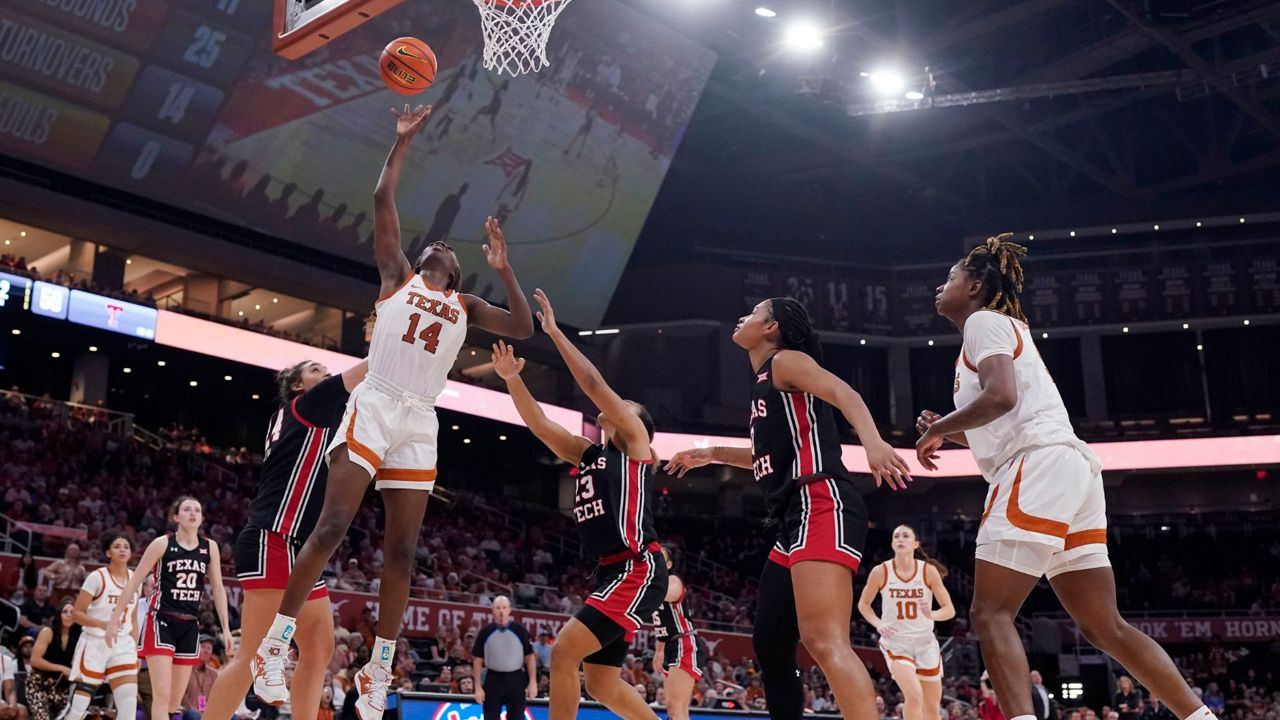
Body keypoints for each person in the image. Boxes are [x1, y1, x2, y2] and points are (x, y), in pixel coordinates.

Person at [254, 104, 533, 720]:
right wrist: (401, 141)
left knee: (403, 551)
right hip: (375, 400)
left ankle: (378, 669)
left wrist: (506, 269)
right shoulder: (397, 277)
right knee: (330, 528)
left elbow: (523, 325)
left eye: (447, 251)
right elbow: (383, 197)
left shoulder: (466, 305)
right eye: (433, 243)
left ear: (456, 272)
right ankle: (274, 647)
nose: (438, 246)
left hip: (421, 419)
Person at [915, 235, 1219, 720]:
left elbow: (1001, 398)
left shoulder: (982, 322)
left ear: (974, 286)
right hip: (1069, 468)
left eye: (950, 277)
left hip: (1036, 467)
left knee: (990, 614)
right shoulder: (999, 329)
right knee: (1105, 627)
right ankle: (1202, 718)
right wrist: (945, 430)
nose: (940, 284)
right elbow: (1001, 424)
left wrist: (939, 429)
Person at [664, 297, 911, 720]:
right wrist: (713, 454)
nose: (741, 317)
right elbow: (767, 454)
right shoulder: (763, 382)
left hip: (822, 501)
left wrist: (873, 443)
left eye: (753, 313)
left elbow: (842, 391)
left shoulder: (785, 362)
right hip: (791, 517)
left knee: (824, 640)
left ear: (771, 327)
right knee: (771, 639)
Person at [490, 288, 666, 720]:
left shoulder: (635, 446)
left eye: (626, 405)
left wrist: (552, 332)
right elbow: (539, 424)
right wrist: (513, 378)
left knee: (565, 651)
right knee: (601, 682)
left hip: (637, 568)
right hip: (611, 570)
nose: (615, 403)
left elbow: (592, 383)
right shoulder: (590, 453)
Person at [202, 359, 369, 720]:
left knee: (319, 648)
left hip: (304, 548)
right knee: (252, 655)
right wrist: (400, 323)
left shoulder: (327, 415)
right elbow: (369, 369)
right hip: (272, 538)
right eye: (315, 369)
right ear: (298, 385)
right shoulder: (307, 405)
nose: (325, 374)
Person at [105, 498, 233, 720]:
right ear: (176, 517)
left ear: (201, 518)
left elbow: (219, 589)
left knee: (174, 702)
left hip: (190, 625)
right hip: (161, 621)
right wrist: (115, 619)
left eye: (197, 510)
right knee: (161, 697)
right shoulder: (162, 544)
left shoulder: (209, 547)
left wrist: (227, 629)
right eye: (187, 509)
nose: (193, 513)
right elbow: (135, 581)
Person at [857, 525, 955, 720]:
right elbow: (864, 605)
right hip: (897, 642)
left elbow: (949, 610)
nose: (900, 538)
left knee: (932, 708)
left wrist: (932, 614)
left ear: (915, 544)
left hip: (925, 643)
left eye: (905, 535)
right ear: (893, 544)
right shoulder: (881, 571)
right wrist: (878, 623)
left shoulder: (928, 571)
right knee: (914, 695)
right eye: (896, 536)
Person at [56, 532, 140, 720]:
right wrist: (102, 624)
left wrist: (135, 649)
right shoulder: (97, 577)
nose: (122, 550)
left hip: (123, 645)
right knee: (78, 709)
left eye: (126, 547)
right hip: (94, 643)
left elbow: (133, 619)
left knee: (128, 708)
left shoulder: (135, 579)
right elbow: (77, 614)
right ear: (108, 552)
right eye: (117, 546)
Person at [651, 545, 705, 720]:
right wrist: (659, 650)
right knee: (674, 708)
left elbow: (671, 593)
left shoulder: (672, 580)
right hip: (670, 644)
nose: (653, 558)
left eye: (659, 556)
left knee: (677, 708)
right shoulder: (652, 584)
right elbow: (662, 622)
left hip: (685, 643)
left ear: (668, 564)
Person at [470, 596, 536, 720]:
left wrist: (533, 682)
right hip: (493, 679)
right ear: (492, 610)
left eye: (504, 608)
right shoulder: (485, 632)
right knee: (490, 716)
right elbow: (477, 660)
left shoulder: (520, 630)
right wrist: (478, 687)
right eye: (498, 608)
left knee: (517, 716)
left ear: (509, 610)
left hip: (516, 678)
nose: (501, 611)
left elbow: (530, 657)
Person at [27, 600, 80, 720]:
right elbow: (35, 660)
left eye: (72, 612)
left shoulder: (78, 636)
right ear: (58, 615)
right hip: (38, 684)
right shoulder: (48, 632)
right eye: (65, 612)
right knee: (43, 717)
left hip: (61, 687)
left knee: (74, 715)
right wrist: (62, 668)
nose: (68, 615)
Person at [180, 637, 219, 720]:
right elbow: (181, 696)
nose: (206, 651)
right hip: (188, 711)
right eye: (203, 647)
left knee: (234, 717)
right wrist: (196, 711)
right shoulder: (185, 670)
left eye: (209, 648)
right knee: (194, 715)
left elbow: (217, 698)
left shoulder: (213, 674)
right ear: (195, 648)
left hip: (209, 712)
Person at [0, 646, 26, 720]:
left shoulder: (5, 660)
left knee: (21, 711)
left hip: (2, 704)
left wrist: (12, 705)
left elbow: (10, 690)